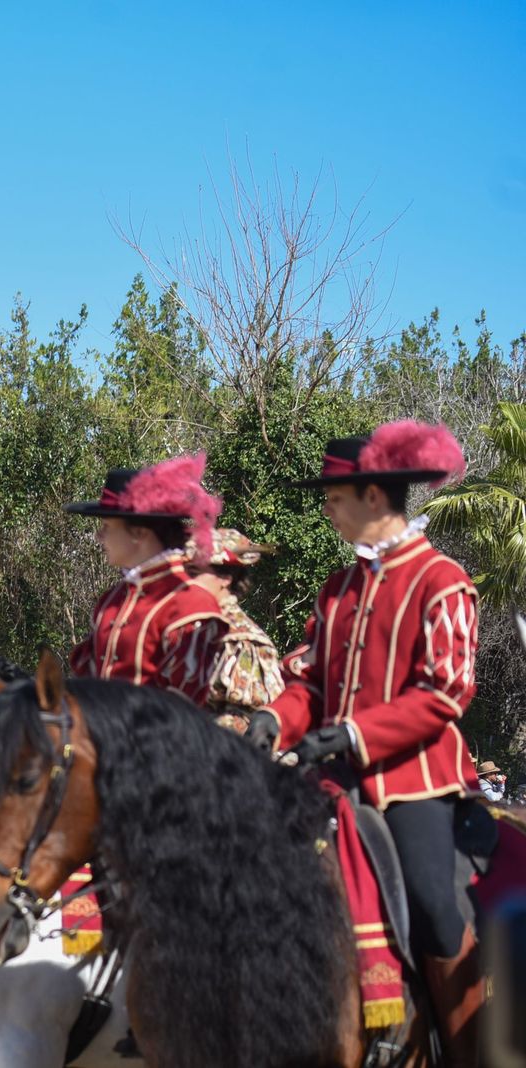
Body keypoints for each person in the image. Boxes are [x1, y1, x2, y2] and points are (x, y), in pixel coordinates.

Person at [245, 421, 483, 1066]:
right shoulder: (338, 587)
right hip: (330, 777)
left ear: (374, 497)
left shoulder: (442, 579)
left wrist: (354, 732)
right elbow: (312, 684)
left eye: (333, 498)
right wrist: (276, 718)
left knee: (434, 908)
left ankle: (473, 1048)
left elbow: (446, 692)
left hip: (416, 782)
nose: (326, 510)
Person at [65, 454, 227, 706]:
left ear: (139, 533)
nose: (99, 536)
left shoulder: (191, 605)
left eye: (107, 526)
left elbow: (184, 708)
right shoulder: (113, 599)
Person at [191, 528, 286, 731]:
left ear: (226, 578)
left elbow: (248, 722)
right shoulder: (192, 628)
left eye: (194, 572)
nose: (186, 581)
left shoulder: (242, 641)